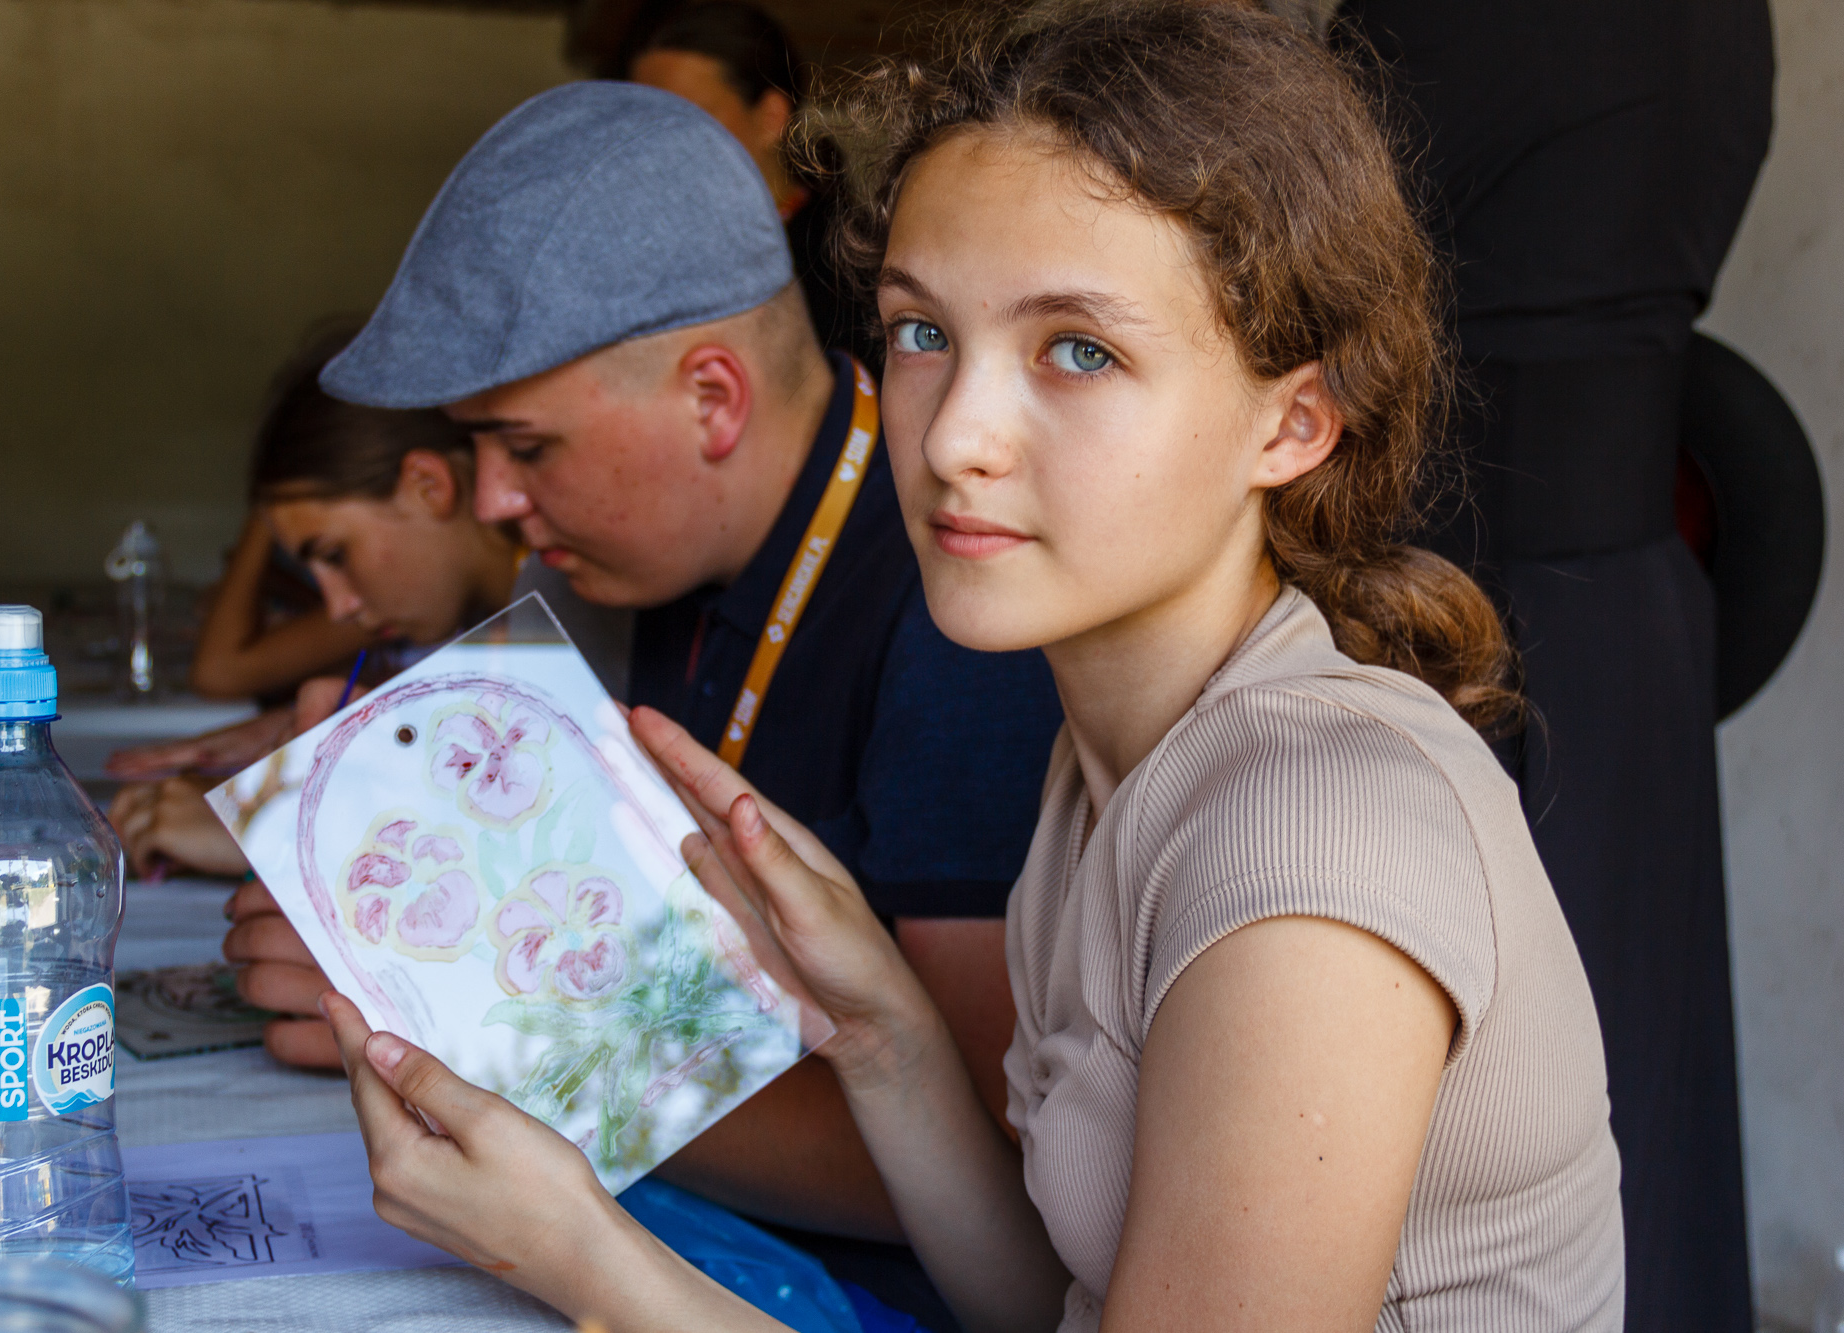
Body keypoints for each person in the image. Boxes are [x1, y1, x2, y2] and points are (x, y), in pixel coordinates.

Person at [314, 4, 1626, 1329]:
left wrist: (586, 1253)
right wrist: (884, 1033)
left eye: (1079, 351)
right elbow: (1047, 1304)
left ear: (1293, 423)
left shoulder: (1310, 839)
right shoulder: (1104, 771)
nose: (953, 440)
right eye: (922, 333)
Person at [220, 79, 1062, 1325]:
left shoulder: (959, 617)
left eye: (527, 448)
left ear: (712, 398)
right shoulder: (653, 563)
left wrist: (477, 1038)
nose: (495, 503)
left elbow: (981, 1176)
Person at [1330, 4, 1773, 1326]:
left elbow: (1280, 239)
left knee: (1467, 1106)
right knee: (1637, 1053)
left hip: (1459, 599)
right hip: (1625, 607)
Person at [108, 327, 527, 879]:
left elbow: (530, 854)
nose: (338, 608)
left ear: (429, 485)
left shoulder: (568, 608)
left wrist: (286, 834)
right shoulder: (485, 611)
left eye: (335, 554)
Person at [629, 2, 873, 364]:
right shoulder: (637, 250)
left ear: (771, 116)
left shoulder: (847, 271)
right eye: (642, 123)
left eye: (686, 118)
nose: (656, 145)